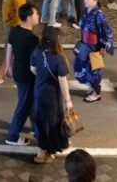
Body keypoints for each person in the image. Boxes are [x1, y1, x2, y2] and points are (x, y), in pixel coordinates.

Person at [30, 26, 73, 164]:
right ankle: (46, 152)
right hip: (52, 97)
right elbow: (63, 82)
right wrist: (68, 101)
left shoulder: (37, 51)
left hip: (38, 92)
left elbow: (33, 69)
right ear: (57, 40)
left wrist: (43, 78)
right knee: (52, 124)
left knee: (41, 122)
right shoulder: (59, 59)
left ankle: (43, 150)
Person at [3, 4, 40, 146]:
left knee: (30, 103)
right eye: (36, 14)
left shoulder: (15, 30)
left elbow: (9, 49)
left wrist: (8, 66)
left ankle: (38, 130)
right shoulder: (32, 39)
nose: (38, 16)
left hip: (18, 72)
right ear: (29, 18)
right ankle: (12, 136)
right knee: (24, 105)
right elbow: (34, 64)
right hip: (27, 76)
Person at [74, 0, 113, 103]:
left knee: (94, 70)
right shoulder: (86, 10)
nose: (85, 0)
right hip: (85, 44)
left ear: (96, 1)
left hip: (95, 46)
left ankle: (97, 92)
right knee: (81, 66)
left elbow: (106, 31)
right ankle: (92, 86)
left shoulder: (98, 13)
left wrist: (104, 46)